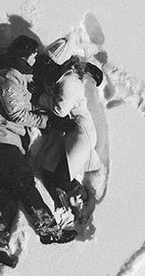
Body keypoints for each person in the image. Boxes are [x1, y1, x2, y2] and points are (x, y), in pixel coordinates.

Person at [0, 35, 77, 267]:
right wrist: (49, 123)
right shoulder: (8, 77)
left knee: (9, 189)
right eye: (33, 54)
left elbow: (25, 105)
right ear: (23, 55)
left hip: (2, 139)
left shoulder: (18, 77)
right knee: (23, 179)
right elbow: (16, 114)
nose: (35, 57)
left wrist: (51, 116)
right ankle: (48, 229)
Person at [33, 45, 105, 223]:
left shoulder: (69, 81)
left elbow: (60, 110)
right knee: (48, 170)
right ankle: (62, 203)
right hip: (70, 130)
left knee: (62, 178)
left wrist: (40, 98)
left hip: (81, 131)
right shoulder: (62, 78)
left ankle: (82, 201)